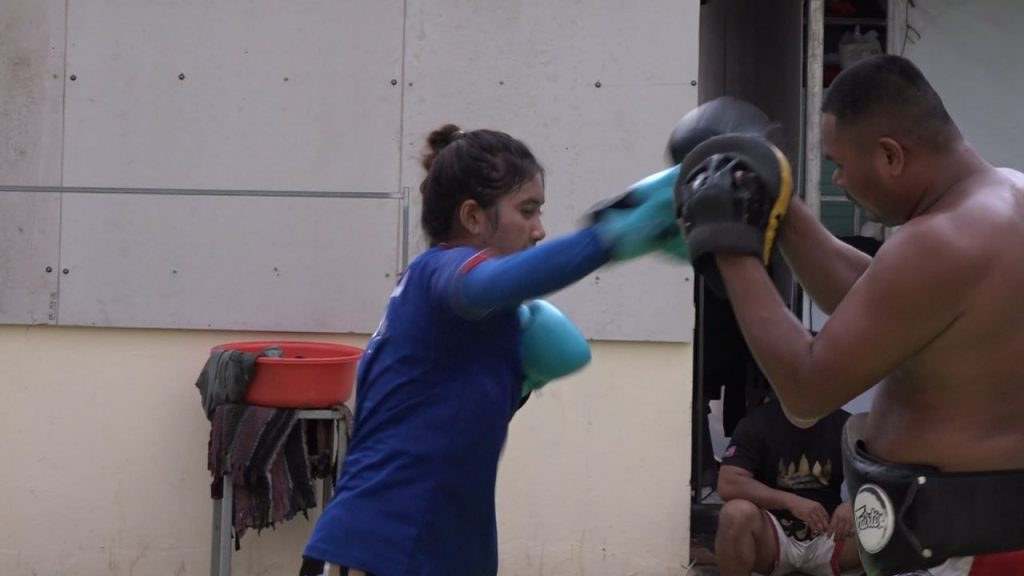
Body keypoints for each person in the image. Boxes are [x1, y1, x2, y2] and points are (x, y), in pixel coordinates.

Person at [677, 55, 1024, 574]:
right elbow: (880, 297)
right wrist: (780, 202)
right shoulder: (1002, 197)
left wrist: (727, 245)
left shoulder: (939, 240)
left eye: (839, 163)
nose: (837, 179)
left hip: (957, 547)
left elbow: (807, 392)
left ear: (890, 155)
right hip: (984, 534)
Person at [300, 123, 684, 576]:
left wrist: (519, 383)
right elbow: (494, 282)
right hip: (384, 544)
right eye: (527, 211)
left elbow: (449, 432)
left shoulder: (478, 322)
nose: (539, 230)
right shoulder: (440, 272)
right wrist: (612, 236)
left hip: (439, 550)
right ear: (473, 217)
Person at [714, 397, 861, 576]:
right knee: (735, 513)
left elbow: (882, 478)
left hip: (830, 534)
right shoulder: (757, 422)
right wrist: (790, 501)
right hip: (774, 536)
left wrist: (853, 503)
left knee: (881, 518)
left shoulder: (848, 426)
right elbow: (729, 483)